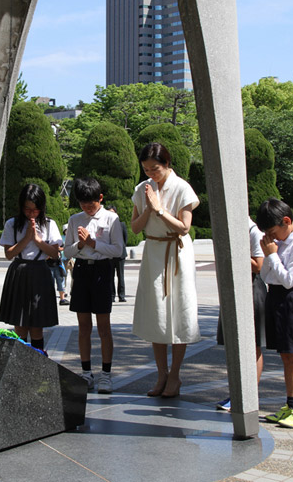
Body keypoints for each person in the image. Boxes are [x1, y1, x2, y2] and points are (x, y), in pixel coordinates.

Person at [131, 142, 200, 398]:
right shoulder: (142, 189)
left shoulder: (182, 187)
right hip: (154, 252)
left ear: (167, 164)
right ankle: (161, 373)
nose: (151, 174)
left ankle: (175, 375)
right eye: (146, 169)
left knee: (179, 311)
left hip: (177, 252)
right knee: (157, 314)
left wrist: (159, 209)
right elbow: (136, 228)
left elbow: (184, 227)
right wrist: (149, 207)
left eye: (155, 169)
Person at [256, 198, 293, 429]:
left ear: (286, 221)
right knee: (286, 355)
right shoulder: (279, 243)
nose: (272, 237)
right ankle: (291, 404)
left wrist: (271, 254)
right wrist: (270, 254)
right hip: (276, 297)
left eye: (273, 231)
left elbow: (291, 281)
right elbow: (267, 275)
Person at [64, 177, 124, 394]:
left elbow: (118, 250)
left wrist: (92, 243)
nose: (87, 208)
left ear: (100, 198)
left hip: (102, 271)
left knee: (104, 326)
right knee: (83, 326)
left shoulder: (111, 219)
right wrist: (80, 244)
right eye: (83, 204)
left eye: (91, 204)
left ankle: (106, 374)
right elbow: (67, 251)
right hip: (81, 270)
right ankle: (86, 372)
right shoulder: (74, 219)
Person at [0, 183, 62, 353]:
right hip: (19, 272)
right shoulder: (12, 224)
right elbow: (9, 254)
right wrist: (27, 238)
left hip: (40, 272)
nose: (31, 214)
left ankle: (37, 363)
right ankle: (18, 361)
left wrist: (38, 240)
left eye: (35, 210)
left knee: (36, 326)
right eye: (27, 209)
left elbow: (55, 253)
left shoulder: (49, 224)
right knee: (19, 325)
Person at [216, 217, 267, 411]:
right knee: (234, 344)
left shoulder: (253, 231)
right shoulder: (230, 230)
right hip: (233, 287)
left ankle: (249, 395)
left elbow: (258, 264)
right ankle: (237, 394)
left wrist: (235, 250)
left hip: (252, 288)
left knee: (252, 345)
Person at [107, 205, 128, 302]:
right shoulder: (105, 226)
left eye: (112, 212)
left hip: (120, 254)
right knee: (110, 276)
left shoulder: (121, 224)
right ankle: (111, 295)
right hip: (110, 254)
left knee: (121, 275)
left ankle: (121, 295)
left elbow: (125, 238)